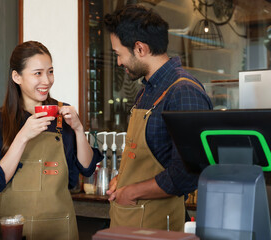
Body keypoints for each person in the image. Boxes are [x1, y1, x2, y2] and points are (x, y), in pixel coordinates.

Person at [104, 5, 213, 231]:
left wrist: (132, 191)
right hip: (131, 222)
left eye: (118, 54)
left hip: (159, 225)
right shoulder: (148, 90)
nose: (119, 62)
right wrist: (121, 182)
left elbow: (187, 174)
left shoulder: (183, 91)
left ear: (140, 48)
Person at [0, 41, 102, 239]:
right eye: (37, 73)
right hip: (16, 230)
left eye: (50, 71)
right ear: (16, 77)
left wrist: (79, 129)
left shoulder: (63, 113)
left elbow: (87, 167)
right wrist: (23, 136)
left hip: (61, 229)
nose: (46, 80)